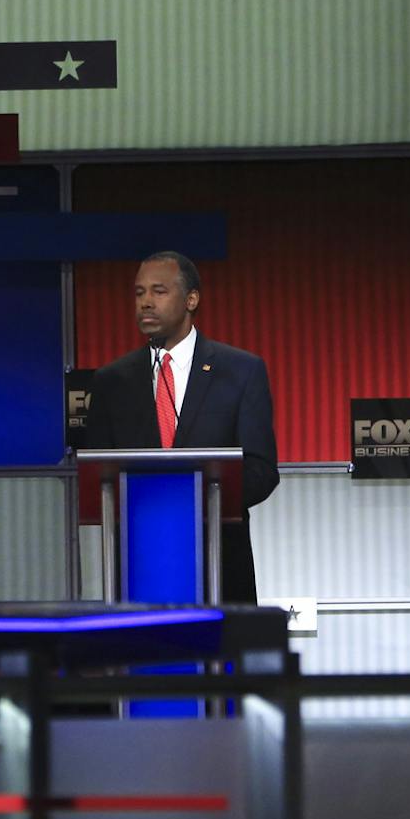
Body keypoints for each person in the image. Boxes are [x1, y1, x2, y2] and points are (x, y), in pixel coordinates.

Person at [84, 250, 280, 604]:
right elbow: (99, 474)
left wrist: (190, 501)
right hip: (140, 566)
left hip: (219, 562)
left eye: (158, 291)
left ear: (191, 299)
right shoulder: (111, 381)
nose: (145, 302)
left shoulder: (240, 371)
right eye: (139, 292)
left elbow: (261, 469)